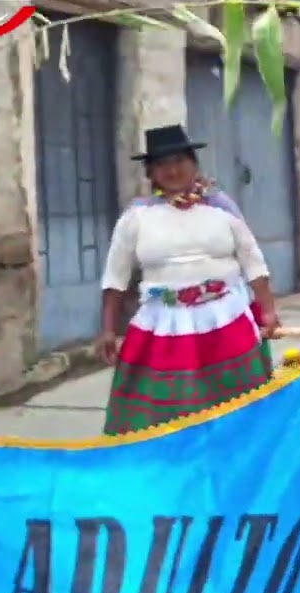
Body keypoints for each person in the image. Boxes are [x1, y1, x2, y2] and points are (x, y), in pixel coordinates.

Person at [95, 125, 279, 435]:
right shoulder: (137, 216)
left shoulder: (221, 207)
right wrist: (108, 329)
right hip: (163, 325)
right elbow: (116, 276)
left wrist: (269, 310)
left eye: (180, 160)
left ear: (194, 164)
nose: (173, 169)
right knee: (166, 419)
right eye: (162, 163)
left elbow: (252, 260)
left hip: (225, 320)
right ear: (150, 172)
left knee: (239, 414)